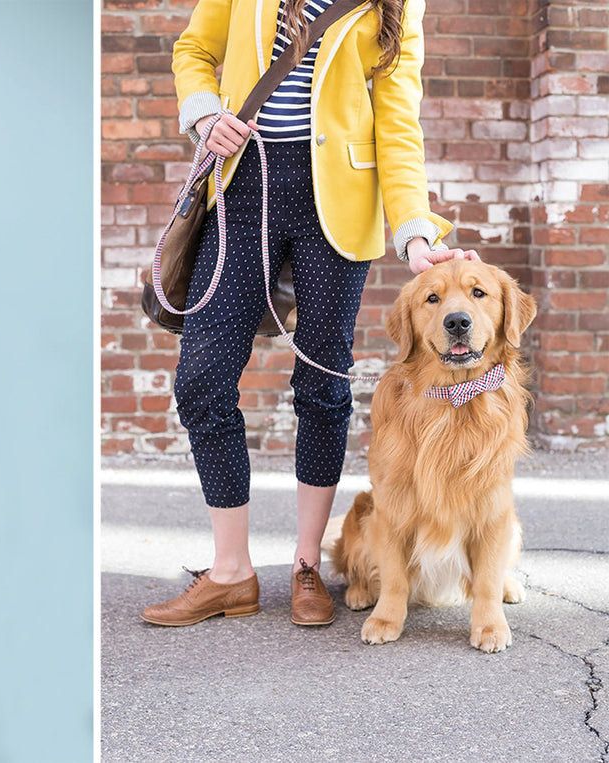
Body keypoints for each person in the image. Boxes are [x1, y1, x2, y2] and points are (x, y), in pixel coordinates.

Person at [141, 0, 479, 628]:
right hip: (245, 186)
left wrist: (413, 232)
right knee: (202, 378)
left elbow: (398, 119)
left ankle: (305, 566)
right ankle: (231, 571)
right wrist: (205, 112)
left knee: (322, 386)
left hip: (339, 206)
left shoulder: (398, 5)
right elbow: (194, 51)